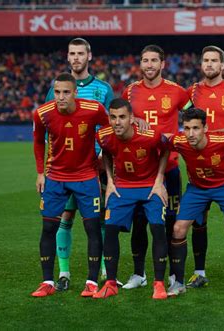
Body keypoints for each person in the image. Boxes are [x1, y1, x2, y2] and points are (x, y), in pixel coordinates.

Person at [45, 38, 115, 291]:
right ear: (67, 57)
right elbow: (49, 131)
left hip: (95, 164)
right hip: (65, 168)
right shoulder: (57, 89)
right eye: (72, 54)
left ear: (89, 56)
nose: (76, 58)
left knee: (99, 220)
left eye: (80, 53)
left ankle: (105, 269)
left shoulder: (104, 89)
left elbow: (111, 126)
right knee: (66, 215)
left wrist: (103, 156)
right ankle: (64, 272)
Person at [31, 73, 109, 297]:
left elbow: (108, 131)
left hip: (86, 176)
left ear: (75, 92)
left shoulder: (93, 109)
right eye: (57, 92)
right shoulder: (43, 114)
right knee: (48, 228)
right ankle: (48, 282)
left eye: (66, 92)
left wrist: (103, 153)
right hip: (55, 177)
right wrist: (39, 173)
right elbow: (38, 142)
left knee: (92, 228)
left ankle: (92, 282)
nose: (61, 97)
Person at [122, 45, 192, 289]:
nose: (149, 65)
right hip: (139, 171)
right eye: (145, 60)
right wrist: (132, 119)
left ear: (163, 64)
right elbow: (119, 118)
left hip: (169, 168)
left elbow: (192, 115)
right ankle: (139, 274)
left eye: (154, 60)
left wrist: (180, 138)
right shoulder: (130, 92)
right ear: (140, 64)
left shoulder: (177, 92)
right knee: (139, 223)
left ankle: (173, 275)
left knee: (171, 222)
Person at [165, 108, 224, 299]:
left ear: (205, 128)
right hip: (197, 189)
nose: (190, 133)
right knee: (178, 229)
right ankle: (178, 283)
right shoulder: (180, 141)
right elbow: (162, 138)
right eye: (187, 128)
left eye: (195, 128)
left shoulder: (223, 140)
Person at [185, 45, 224, 288]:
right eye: (206, 60)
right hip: (199, 166)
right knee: (197, 222)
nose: (210, 64)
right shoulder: (192, 92)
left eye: (214, 60)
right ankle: (199, 272)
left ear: (222, 65)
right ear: (201, 65)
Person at [93, 98, 169, 300]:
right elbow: (107, 154)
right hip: (123, 188)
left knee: (157, 228)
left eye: (122, 117)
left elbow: (166, 149)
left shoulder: (150, 136)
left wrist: (159, 180)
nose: (117, 122)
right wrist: (110, 180)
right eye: (113, 117)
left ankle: (159, 284)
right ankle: (110, 283)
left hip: (150, 187)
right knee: (109, 229)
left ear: (132, 119)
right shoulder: (104, 135)